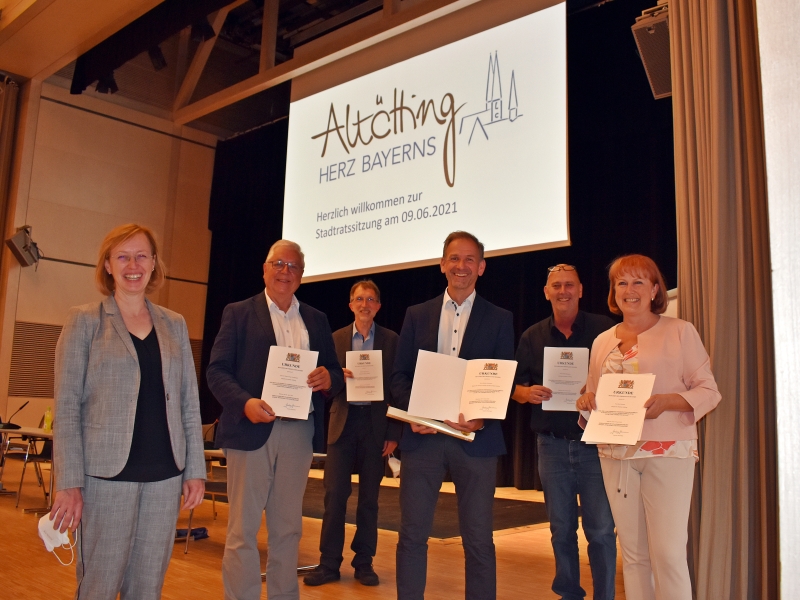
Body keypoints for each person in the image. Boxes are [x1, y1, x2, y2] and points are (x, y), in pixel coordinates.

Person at [51, 223, 206, 599]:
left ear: (154, 264)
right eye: (123, 256)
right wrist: (68, 482)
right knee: (99, 587)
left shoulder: (175, 324)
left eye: (141, 255)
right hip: (105, 479)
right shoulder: (84, 321)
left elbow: (188, 402)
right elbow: (67, 406)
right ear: (107, 265)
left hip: (165, 478)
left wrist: (195, 470)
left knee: (148, 588)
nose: (132, 264)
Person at [576, 255, 721, 600]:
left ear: (656, 289)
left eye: (639, 282)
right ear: (614, 291)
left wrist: (668, 401)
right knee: (634, 555)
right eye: (621, 283)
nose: (630, 290)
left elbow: (708, 391)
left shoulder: (680, 331)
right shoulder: (602, 341)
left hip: (667, 451)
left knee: (668, 553)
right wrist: (586, 400)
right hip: (615, 454)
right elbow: (593, 392)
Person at [207, 239, 344, 600]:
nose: (285, 271)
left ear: (302, 274)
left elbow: (333, 370)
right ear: (265, 269)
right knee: (242, 530)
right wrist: (245, 403)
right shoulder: (238, 312)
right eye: (278, 264)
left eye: (293, 266)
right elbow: (217, 371)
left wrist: (329, 378)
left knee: (288, 529)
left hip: (299, 433)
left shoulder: (316, 319)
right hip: (251, 429)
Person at [391, 231, 515, 600]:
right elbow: (398, 376)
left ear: (482, 267)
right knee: (412, 535)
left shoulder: (500, 318)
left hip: (475, 441)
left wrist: (482, 417)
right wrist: (413, 413)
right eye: (454, 259)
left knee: (478, 539)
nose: (461, 266)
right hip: (422, 440)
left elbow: (502, 378)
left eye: (469, 259)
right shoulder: (417, 315)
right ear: (442, 263)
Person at [512, 264, 617, 600]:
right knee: (561, 530)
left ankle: (605, 595)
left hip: (595, 447)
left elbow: (622, 378)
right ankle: (569, 593)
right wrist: (526, 394)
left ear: (581, 289)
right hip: (552, 447)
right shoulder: (532, 336)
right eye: (556, 286)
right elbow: (514, 387)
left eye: (569, 285)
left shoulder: (605, 331)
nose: (563, 291)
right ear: (546, 292)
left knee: (600, 530)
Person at [304, 279, 401, 587]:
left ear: (378, 306)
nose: (365, 304)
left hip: (376, 427)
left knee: (370, 500)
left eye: (371, 299)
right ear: (350, 305)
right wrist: (336, 379)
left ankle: (364, 563)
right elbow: (323, 390)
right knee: (334, 498)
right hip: (342, 425)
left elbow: (398, 390)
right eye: (359, 299)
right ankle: (329, 563)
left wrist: (395, 431)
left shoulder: (392, 340)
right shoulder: (334, 339)